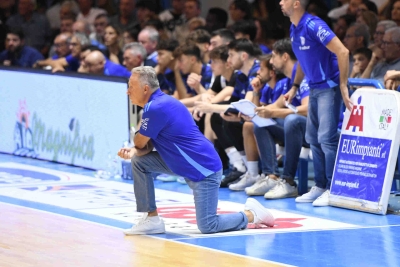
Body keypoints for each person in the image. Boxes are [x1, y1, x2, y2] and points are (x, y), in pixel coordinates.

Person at [117, 66, 275, 235]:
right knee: (140, 163)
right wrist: (135, 151)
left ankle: (251, 214)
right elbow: (144, 146)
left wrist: (137, 147)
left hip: (203, 168)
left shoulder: (156, 107)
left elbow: (140, 142)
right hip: (181, 163)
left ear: (145, 88)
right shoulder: (158, 104)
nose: (128, 92)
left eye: (131, 87)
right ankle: (152, 219)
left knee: (208, 225)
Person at [281, 0, 351, 206]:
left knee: (327, 139)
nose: (280, 2)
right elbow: (303, 61)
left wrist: (343, 85)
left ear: (296, 3)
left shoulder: (314, 25)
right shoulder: (294, 28)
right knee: (313, 138)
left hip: (329, 87)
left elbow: (343, 51)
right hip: (314, 88)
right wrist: (294, 86)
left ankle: (333, 188)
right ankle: (320, 186)